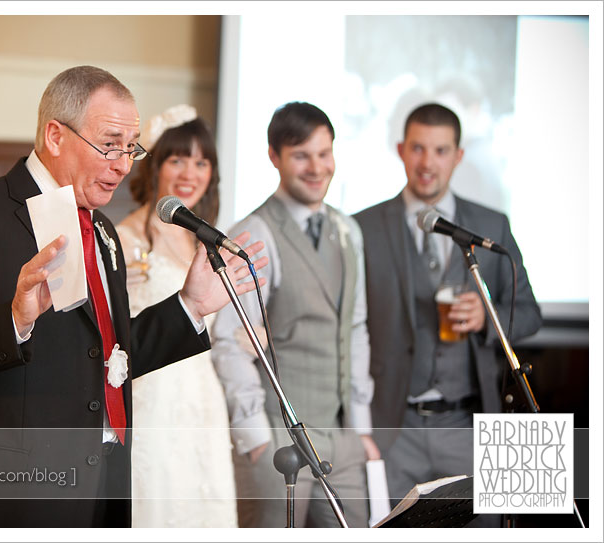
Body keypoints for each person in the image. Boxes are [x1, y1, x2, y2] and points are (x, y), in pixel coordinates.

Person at [0, 66, 265, 528]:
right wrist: (13, 322)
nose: (124, 164)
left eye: (131, 147)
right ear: (55, 135)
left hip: (97, 490)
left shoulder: (103, 229)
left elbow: (109, 356)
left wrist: (190, 304)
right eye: (109, 144)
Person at [353, 103, 542, 512]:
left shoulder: (493, 226)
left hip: (471, 424)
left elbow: (529, 313)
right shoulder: (361, 227)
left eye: (440, 151)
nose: (428, 163)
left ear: (458, 156)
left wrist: (486, 319)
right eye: (418, 149)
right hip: (391, 427)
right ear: (401, 150)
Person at [211, 102, 379, 528]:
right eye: (301, 155)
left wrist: (361, 429)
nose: (316, 167)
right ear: (274, 156)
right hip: (279, 439)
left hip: (343, 440)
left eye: (324, 154)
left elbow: (354, 330)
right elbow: (231, 340)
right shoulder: (255, 233)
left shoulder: (348, 231)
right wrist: (254, 438)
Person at [115, 104, 238, 527]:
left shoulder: (204, 240)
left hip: (202, 396)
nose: (190, 172)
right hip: (154, 396)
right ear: (154, 168)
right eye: (177, 159)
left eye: (201, 162)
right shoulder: (127, 238)